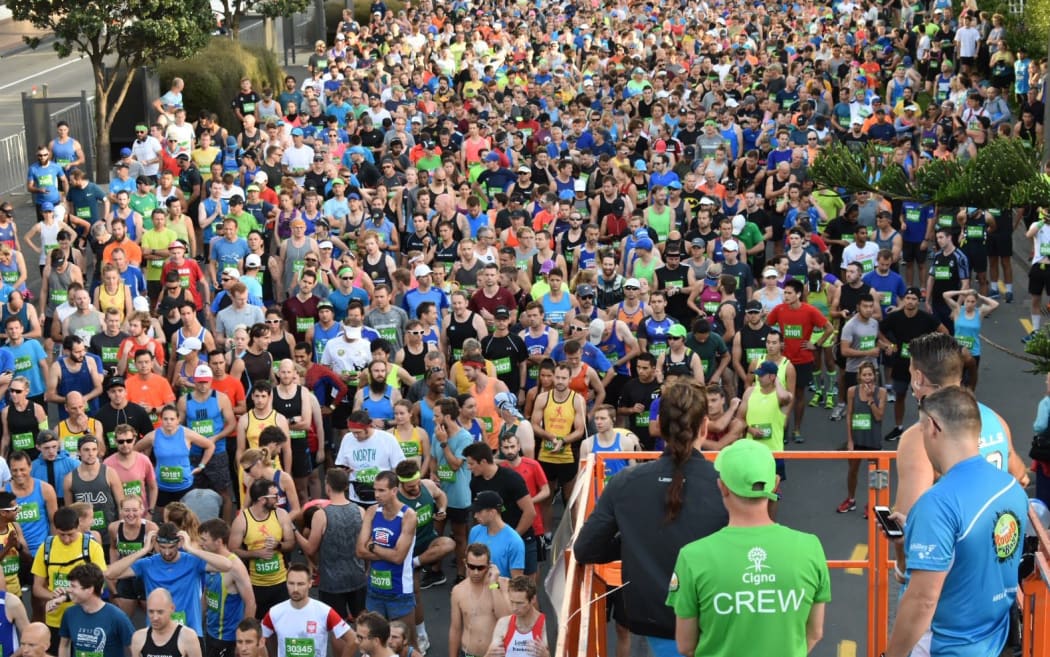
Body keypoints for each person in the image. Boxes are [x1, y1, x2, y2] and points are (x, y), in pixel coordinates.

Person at [574, 380, 728, 657]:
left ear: (660, 425)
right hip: (714, 622)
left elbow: (586, 548)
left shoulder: (624, 483)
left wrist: (630, 540)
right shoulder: (726, 486)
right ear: (704, 426)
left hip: (650, 622)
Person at [884, 385, 1028, 657]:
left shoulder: (936, 504)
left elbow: (922, 601)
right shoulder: (1011, 489)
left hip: (948, 647)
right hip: (996, 640)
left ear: (934, 427)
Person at [667, 439, 830, 657]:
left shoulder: (693, 556)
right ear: (775, 484)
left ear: (722, 486)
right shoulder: (810, 547)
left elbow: (686, 645)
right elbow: (815, 632)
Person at [106, 522, 233, 639]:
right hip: (158, 635)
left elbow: (227, 565)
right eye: (162, 547)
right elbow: (110, 573)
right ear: (156, 544)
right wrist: (143, 551)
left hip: (189, 633)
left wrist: (191, 548)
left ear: (179, 543)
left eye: (171, 547)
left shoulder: (193, 561)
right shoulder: (147, 564)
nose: (167, 552)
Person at [294, 467, 367, 623]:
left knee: (336, 628)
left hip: (332, 582)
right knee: (364, 622)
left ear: (327, 487)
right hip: (357, 578)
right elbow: (365, 546)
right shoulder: (360, 511)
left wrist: (294, 531)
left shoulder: (321, 515)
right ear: (346, 486)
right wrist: (366, 571)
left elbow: (310, 548)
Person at [31, 506, 108, 651]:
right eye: (62, 535)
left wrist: (67, 595)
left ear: (78, 525)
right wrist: (52, 596)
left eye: (71, 534)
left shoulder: (92, 548)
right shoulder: (46, 548)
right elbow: (37, 588)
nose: (66, 539)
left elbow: (99, 587)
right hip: (56, 620)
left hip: (86, 619)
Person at [357, 471, 417, 639]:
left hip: (399, 592)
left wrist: (372, 546)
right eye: (375, 490)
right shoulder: (371, 511)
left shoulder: (408, 516)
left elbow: (398, 558)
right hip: (374, 590)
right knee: (375, 644)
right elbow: (360, 551)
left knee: (407, 645)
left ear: (394, 491)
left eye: (382, 490)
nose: (377, 495)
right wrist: (388, 552)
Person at [229, 479, 296, 618]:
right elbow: (232, 550)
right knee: (259, 625)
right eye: (274, 496)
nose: (278, 499)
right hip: (255, 584)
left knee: (281, 623)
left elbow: (291, 543)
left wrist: (278, 545)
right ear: (262, 500)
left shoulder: (281, 514)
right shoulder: (242, 520)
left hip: (281, 582)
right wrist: (256, 553)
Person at [260, 564, 355, 657]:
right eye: (291, 583)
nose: (295, 589)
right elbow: (258, 641)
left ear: (310, 583)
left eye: (300, 584)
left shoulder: (324, 612)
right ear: (286, 583)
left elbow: (352, 639)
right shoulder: (275, 612)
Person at [199, 518, 256, 657]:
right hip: (211, 632)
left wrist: (242, 642)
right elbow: (207, 595)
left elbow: (251, 604)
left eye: (204, 540)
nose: (201, 544)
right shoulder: (210, 561)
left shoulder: (235, 567)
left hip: (228, 638)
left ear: (218, 542)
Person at [55, 563, 133, 657]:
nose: (68, 590)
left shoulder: (117, 617)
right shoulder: (70, 613)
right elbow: (64, 645)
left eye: (73, 586)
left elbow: (135, 647)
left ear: (89, 589)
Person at [449, 543, 510, 657]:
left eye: (481, 568)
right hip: (468, 653)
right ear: (465, 564)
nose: (476, 572)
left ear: (489, 566)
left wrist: (493, 584)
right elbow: (455, 629)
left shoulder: (503, 584)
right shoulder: (458, 591)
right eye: (472, 567)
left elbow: (505, 618)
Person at [484, 576, 547, 657]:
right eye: (512, 602)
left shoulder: (546, 625)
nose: (514, 608)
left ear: (533, 599)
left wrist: (546, 655)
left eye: (519, 603)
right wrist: (488, 655)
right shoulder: (503, 623)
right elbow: (492, 654)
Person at [128, 588, 202, 657]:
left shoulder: (188, 637)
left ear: (172, 609)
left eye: (160, 612)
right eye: (151, 612)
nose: (155, 617)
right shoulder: (138, 638)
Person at [468, 491, 524, 579]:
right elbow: (469, 567)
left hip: (498, 590)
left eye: (479, 512)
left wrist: (493, 586)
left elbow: (515, 583)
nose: (475, 516)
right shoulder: (474, 531)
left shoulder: (514, 542)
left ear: (492, 512)